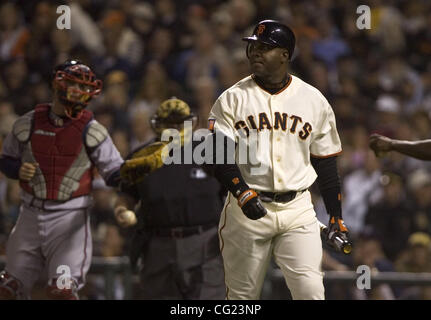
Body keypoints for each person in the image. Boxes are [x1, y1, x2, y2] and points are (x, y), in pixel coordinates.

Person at [206, 20, 349, 300]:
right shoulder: (231, 99)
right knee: (241, 298)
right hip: (246, 207)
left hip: (298, 210)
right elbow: (218, 155)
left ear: (285, 55)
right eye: (253, 47)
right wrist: (241, 191)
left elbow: (326, 163)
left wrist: (336, 216)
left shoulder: (313, 100)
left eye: (265, 48)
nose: (255, 52)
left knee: (310, 292)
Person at [0, 59, 123, 300]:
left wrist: (136, 174)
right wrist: (17, 169)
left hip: (70, 217)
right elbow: (6, 159)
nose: (83, 93)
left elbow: (114, 171)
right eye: (76, 85)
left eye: (87, 88)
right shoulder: (29, 122)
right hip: (30, 214)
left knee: (62, 290)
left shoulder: (92, 129)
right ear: (58, 85)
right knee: (8, 288)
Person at [115, 97, 226, 299]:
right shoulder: (142, 156)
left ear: (190, 122)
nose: (174, 127)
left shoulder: (212, 151)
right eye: (169, 123)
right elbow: (126, 195)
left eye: (179, 122)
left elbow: (231, 193)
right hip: (159, 244)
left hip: (205, 242)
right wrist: (122, 210)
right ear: (158, 124)